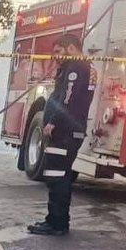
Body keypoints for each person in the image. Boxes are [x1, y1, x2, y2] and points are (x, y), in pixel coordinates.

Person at [28, 33, 93, 236]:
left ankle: (56, 223)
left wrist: (53, 121)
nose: (55, 56)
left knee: (57, 176)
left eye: (58, 51)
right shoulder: (83, 67)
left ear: (71, 48)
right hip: (69, 131)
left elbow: (67, 98)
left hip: (64, 132)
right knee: (59, 175)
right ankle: (56, 221)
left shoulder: (75, 68)